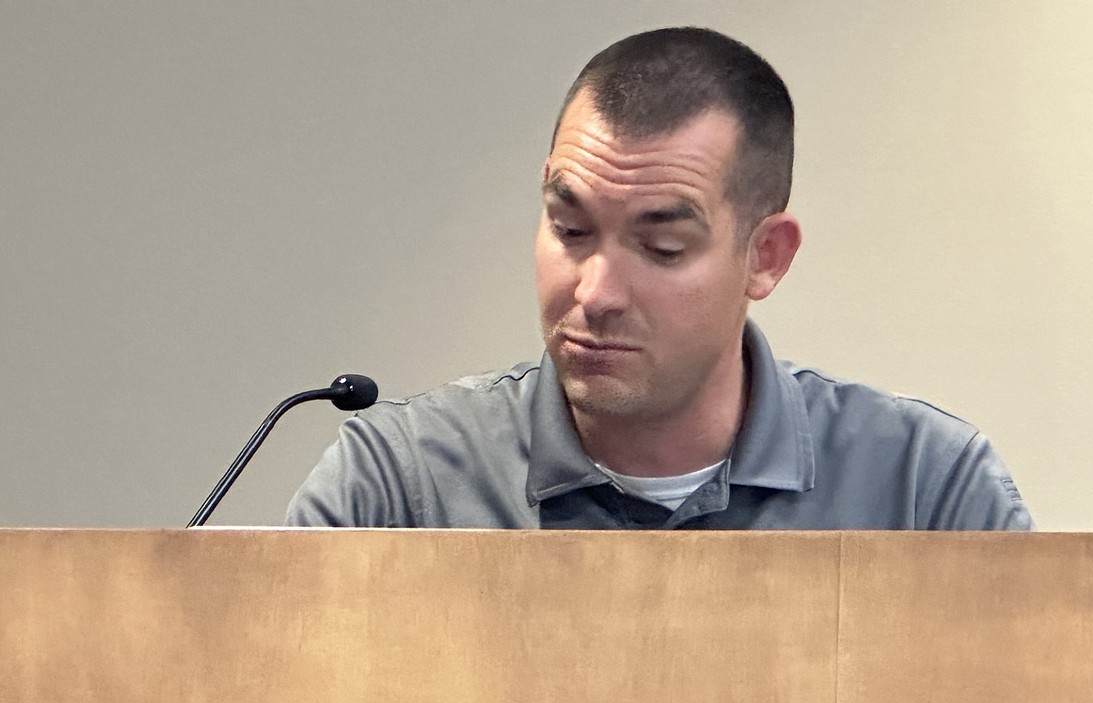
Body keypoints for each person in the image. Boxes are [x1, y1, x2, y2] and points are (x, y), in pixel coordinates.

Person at [286, 27, 1033, 530]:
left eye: (663, 247)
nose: (596, 294)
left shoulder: (924, 491)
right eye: (570, 230)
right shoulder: (398, 488)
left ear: (765, 256)